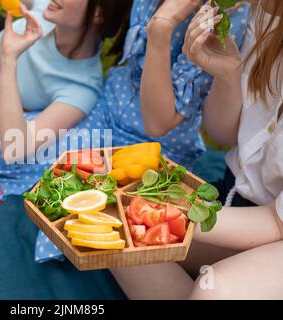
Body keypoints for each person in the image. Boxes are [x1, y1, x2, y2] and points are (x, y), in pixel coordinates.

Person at [34, 0, 250, 263]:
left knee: (91, 224)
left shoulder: (224, 15)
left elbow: (157, 124)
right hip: (108, 110)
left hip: (152, 144)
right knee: (27, 167)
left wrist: (161, 29)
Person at [111, 0, 283, 299]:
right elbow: (224, 135)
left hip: (274, 229)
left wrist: (174, 208)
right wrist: (228, 74)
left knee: (214, 289)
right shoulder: (259, 13)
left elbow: (274, 223)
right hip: (238, 200)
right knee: (115, 225)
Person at [0, 0, 132, 206]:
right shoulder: (50, 8)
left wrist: (9, 59)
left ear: (97, 15)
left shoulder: (81, 88)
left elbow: (14, 148)